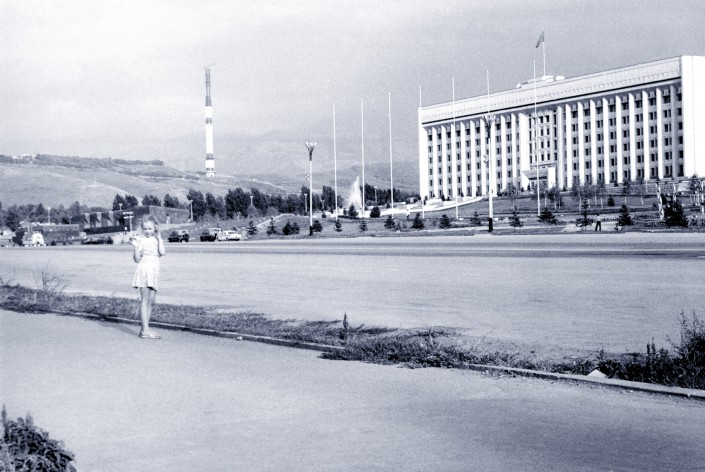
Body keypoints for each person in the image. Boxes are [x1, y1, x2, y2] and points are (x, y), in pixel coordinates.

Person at [130, 215, 165, 339]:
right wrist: (135, 246)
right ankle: (145, 331)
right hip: (144, 270)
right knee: (145, 300)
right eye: (145, 229)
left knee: (151, 301)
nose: (147, 231)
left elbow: (162, 252)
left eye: (150, 228)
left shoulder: (156, 239)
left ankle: (145, 329)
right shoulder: (141, 240)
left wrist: (159, 239)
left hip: (154, 271)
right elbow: (136, 259)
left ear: (155, 227)